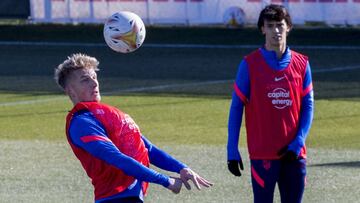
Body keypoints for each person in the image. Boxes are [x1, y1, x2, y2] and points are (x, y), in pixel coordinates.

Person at [54, 53, 213, 203]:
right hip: (115, 198)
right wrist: (166, 181)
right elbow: (115, 158)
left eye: (95, 77)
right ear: (70, 91)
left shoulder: (108, 115)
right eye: (85, 80)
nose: (94, 83)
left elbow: (147, 148)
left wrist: (181, 168)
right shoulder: (82, 123)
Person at [227, 4, 314, 203]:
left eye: (280, 25)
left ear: (288, 27)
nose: (276, 30)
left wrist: (298, 142)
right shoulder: (249, 64)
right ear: (262, 29)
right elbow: (236, 108)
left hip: (294, 154)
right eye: (270, 25)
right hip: (262, 154)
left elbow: (308, 106)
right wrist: (232, 150)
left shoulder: (302, 64)